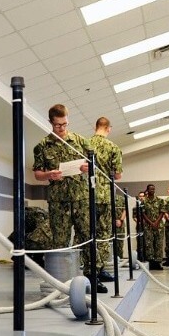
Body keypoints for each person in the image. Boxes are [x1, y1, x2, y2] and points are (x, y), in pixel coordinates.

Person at [32, 104, 108, 293]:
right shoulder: (42, 146)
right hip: (59, 201)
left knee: (88, 237)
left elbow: (94, 165)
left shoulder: (81, 141)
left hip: (81, 199)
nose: (62, 128)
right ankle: (62, 282)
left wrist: (86, 167)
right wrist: (49, 174)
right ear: (51, 122)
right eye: (58, 125)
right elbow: (37, 174)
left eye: (65, 124)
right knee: (60, 240)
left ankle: (93, 277)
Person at [89, 117, 122, 282]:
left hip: (87, 195)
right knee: (103, 234)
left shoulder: (85, 144)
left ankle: (90, 270)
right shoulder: (113, 147)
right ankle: (97, 271)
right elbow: (117, 175)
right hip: (105, 196)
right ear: (109, 128)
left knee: (87, 233)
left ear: (95, 127)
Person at [140, 184, 165, 270]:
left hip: (159, 226)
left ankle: (158, 263)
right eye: (150, 189)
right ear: (147, 190)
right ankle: (150, 262)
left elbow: (162, 212)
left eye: (153, 189)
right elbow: (143, 214)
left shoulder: (160, 200)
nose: (152, 190)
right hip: (148, 226)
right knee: (149, 244)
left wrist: (156, 222)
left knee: (158, 244)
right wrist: (151, 223)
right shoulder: (143, 202)